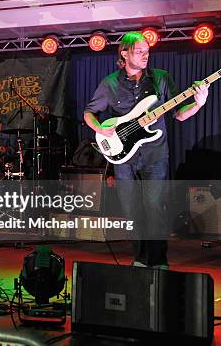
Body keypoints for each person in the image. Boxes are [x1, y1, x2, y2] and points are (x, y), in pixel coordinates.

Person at [83, 32, 208, 268]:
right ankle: (140, 259)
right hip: (123, 157)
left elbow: (179, 114)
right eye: (139, 51)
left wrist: (198, 103)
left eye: (147, 51)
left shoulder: (160, 78)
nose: (145, 55)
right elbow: (88, 113)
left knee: (155, 207)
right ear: (124, 53)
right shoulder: (109, 84)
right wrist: (99, 127)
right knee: (131, 209)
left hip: (154, 154)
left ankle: (159, 260)